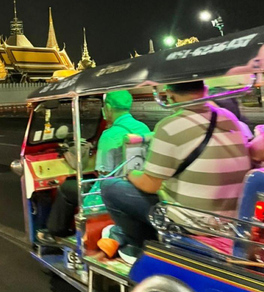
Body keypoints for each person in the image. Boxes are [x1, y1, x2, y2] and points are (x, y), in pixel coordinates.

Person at [99, 81, 251, 264]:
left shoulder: (169, 126)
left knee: (110, 187)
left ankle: (135, 247)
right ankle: (121, 236)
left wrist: (130, 172)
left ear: (169, 94)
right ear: (204, 90)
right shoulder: (229, 118)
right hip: (230, 221)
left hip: (193, 223)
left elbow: (149, 184)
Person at [37, 90, 151, 243]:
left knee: (67, 188)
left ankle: (56, 233)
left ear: (108, 108)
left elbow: (104, 175)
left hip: (112, 192)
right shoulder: (142, 128)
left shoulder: (110, 135)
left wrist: (90, 206)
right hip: (136, 188)